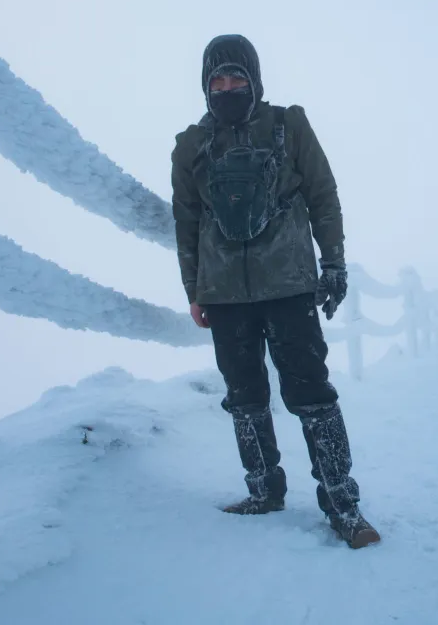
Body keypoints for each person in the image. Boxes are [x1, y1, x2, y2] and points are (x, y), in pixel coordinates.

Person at [170, 33, 380, 549]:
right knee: (244, 398)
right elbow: (186, 221)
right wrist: (195, 290)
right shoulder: (191, 145)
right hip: (222, 294)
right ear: (205, 85)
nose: (226, 86)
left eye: (236, 76)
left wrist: (334, 263)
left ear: (254, 79)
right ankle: (264, 490)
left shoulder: (289, 124)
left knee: (311, 393)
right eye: (216, 79)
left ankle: (343, 503)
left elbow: (323, 195)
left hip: (288, 285)